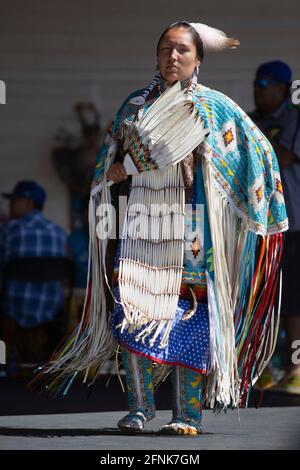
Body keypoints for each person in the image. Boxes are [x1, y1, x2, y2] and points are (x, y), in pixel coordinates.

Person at [34, 22, 288, 435]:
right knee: (133, 308)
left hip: (192, 228)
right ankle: (139, 407)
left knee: (189, 313)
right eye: (166, 49)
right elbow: (106, 161)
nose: (173, 56)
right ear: (155, 56)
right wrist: (113, 173)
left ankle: (186, 415)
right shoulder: (134, 105)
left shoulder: (213, 107)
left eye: (182, 50)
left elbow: (255, 148)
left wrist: (226, 180)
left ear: (197, 59)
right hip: (141, 222)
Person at [250, 60, 300, 394]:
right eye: (256, 82)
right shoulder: (253, 121)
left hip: (294, 221)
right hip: (257, 224)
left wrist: (250, 144)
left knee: (295, 299)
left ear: (283, 87)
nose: (258, 88)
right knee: (262, 297)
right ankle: (265, 366)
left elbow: (282, 157)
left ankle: (297, 368)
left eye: (265, 82)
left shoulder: (295, 118)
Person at [0, 181, 68, 364]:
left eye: (14, 200)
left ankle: (3, 359)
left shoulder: (8, 230)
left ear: (29, 203)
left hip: (14, 308)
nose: (10, 205)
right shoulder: (59, 232)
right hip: (51, 309)